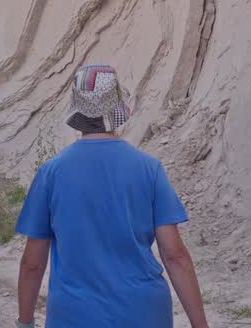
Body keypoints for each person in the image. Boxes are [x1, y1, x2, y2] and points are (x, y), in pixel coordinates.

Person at [14, 64, 209, 328]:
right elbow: (174, 255)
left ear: (77, 110)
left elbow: (32, 264)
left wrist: (25, 323)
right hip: (143, 314)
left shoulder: (51, 173)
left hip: (73, 317)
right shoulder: (148, 168)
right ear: (118, 106)